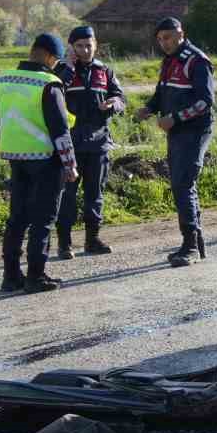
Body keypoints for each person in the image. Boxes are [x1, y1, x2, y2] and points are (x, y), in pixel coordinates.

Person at [0, 33, 78, 293]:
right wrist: (70, 164)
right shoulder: (49, 84)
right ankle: (36, 276)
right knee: (43, 219)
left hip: (15, 156)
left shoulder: (4, 80)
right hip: (45, 159)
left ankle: (10, 277)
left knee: (17, 218)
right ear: (51, 57)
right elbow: (60, 130)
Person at [137, 16, 214, 266]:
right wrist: (149, 108)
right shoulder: (168, 62)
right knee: (181, 184)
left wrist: (176, 118)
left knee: (183, 183)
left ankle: (190, 246)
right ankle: (196, 243)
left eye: (168, 38)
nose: (164, 43)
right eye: (160, 39)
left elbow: (205, 102)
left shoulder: (197, 61)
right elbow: (161, 93)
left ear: (181, 34)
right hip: (177, 132)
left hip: (195, 130)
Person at [54, 24, 126, 258]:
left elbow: (120, 97)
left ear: (96, 45)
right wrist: (70, 66)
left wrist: (113, 104)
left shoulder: (105, 71)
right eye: (80, 46)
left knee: (95, 194)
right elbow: (54, 93)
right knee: (67, 195)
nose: (86, 50)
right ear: (71, 47)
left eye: (89, 45)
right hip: (70, 145)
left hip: (99, 143)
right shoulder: (61, 71)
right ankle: (64, 244)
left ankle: (92, 240)